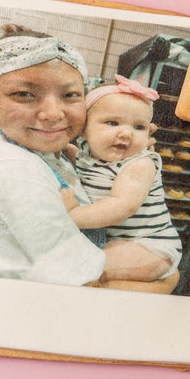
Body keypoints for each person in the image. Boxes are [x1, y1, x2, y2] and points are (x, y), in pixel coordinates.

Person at [0, 28, 108, 285]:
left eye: (70, 95)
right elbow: (87, 282)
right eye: (24, 94)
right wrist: (166, 279)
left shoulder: (45, 154)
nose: (53, 114)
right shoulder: (12, 169)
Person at [65, 76, 182, 284]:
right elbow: (83, 164)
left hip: (150, 247)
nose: (126, 133)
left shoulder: (139, 165)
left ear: (150, 132)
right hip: (115, 241)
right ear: (82, 129)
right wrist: (62, 149)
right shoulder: (86, 153)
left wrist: (71, 216)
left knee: (85, 267)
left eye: (138, 127)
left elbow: (121, 206)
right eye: (112, 122)